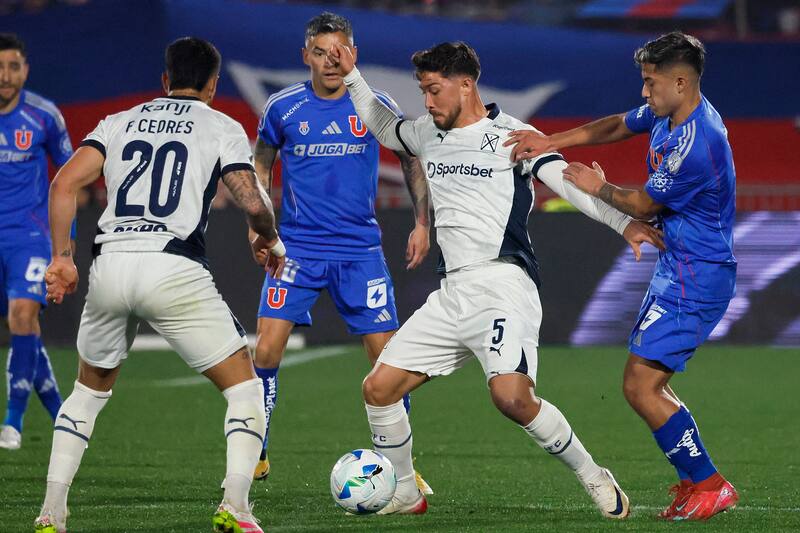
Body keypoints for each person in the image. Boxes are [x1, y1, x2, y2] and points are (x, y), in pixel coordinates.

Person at [328, 40, 666, 517]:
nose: (427, 101)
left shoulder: (512, 135)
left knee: (511, 397)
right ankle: (405, 491)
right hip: (452, 293)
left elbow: (566, 182)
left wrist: (623, 223)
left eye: (434, 89)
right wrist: (352, 76)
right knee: (378, 390)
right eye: (423, 91)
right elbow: (385, 128)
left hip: (503, 285)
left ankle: (593, 474)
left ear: (466, 85)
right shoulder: (427, 132)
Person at [34, 37, 285, 533]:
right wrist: (270, 239)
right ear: (213, 85)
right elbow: (253, 202)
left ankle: (51, 511)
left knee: (87, 393)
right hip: (172, 267)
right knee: (245, 390)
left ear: (165, 79)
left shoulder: (118, 122)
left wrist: (62, 258)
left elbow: (63, 183)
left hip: (110, 265)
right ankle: (236, 506)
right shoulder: (220, 125)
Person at [506, 31, 738, 521]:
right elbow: (617, 124)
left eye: (651, 83)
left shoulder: (698, 141)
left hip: (698, 274)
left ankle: (710, 484)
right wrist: (551, 141)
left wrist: (598, 185)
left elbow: (644, 205)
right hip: (679, 266)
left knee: (640, 385)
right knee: (647, 384)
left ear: (681, 82)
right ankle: (696, 481)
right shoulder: (668, 112)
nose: (644, 92)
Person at [250, 11, 431, 492]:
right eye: (320, 52)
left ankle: (402, 466)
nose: (330, 62)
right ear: (304, 55)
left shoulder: (373, 103)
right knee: (265, 350)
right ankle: (256, 451)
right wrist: (258, 224)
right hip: (296, 250)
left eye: (339, 52)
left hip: (359, 252)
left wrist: (422, 222)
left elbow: (411, 159)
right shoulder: (283, 107)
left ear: (353, 54)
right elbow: (261, 163)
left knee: (388, 363)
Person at [0, 33, 74, 451]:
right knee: (25, 328)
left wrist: (65, 249)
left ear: (25, 70)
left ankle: (12, 421)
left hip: (28, 236)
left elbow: (70, 178)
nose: (5, 75)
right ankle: (62, 414)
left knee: (22, 314)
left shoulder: (44, 116)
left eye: (13, 66)